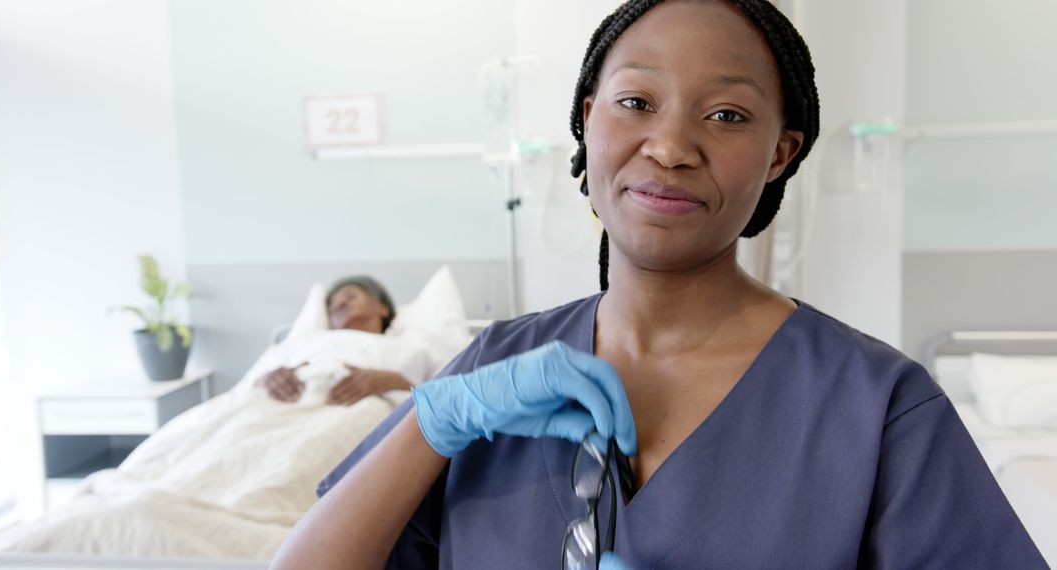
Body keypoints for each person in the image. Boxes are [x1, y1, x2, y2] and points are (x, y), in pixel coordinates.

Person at [271, 1, 1047, 568]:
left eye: (727, 115)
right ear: (587, 119)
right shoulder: (490, 372)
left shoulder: (876, 407)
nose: (671, 146)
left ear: (781, 152)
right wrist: (427, 422)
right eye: (636, 102)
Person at [254, 276, 416, 405]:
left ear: (383, 309)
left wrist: (392, 381)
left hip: (358, 410)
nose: (341, 303)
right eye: (333, 306)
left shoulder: (406, 346)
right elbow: (248, 386)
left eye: (351, 296)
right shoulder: (302, 342)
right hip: (277, 406)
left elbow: (434, 397)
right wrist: (268, 380)